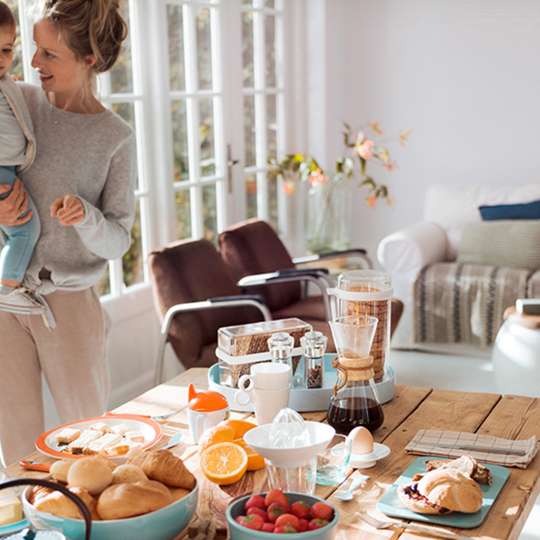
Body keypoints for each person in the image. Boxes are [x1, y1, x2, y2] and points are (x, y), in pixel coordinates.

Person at [0, 0, 136, 466]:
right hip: (6, 296)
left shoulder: (113, 136)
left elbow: (119, 239)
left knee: (93, 442)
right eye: (34, 50)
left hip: (69, 305)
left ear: (89, 60)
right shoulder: (16, 100)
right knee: (17, 447)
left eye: (49, 55)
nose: (33, 63)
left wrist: (87, 217)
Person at [0, 2, 43, 310]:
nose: (1, 60)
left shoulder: (8, 86)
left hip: (10, 169)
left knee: (12, 232)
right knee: (26, 228)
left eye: (6, 50)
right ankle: (7, 287)